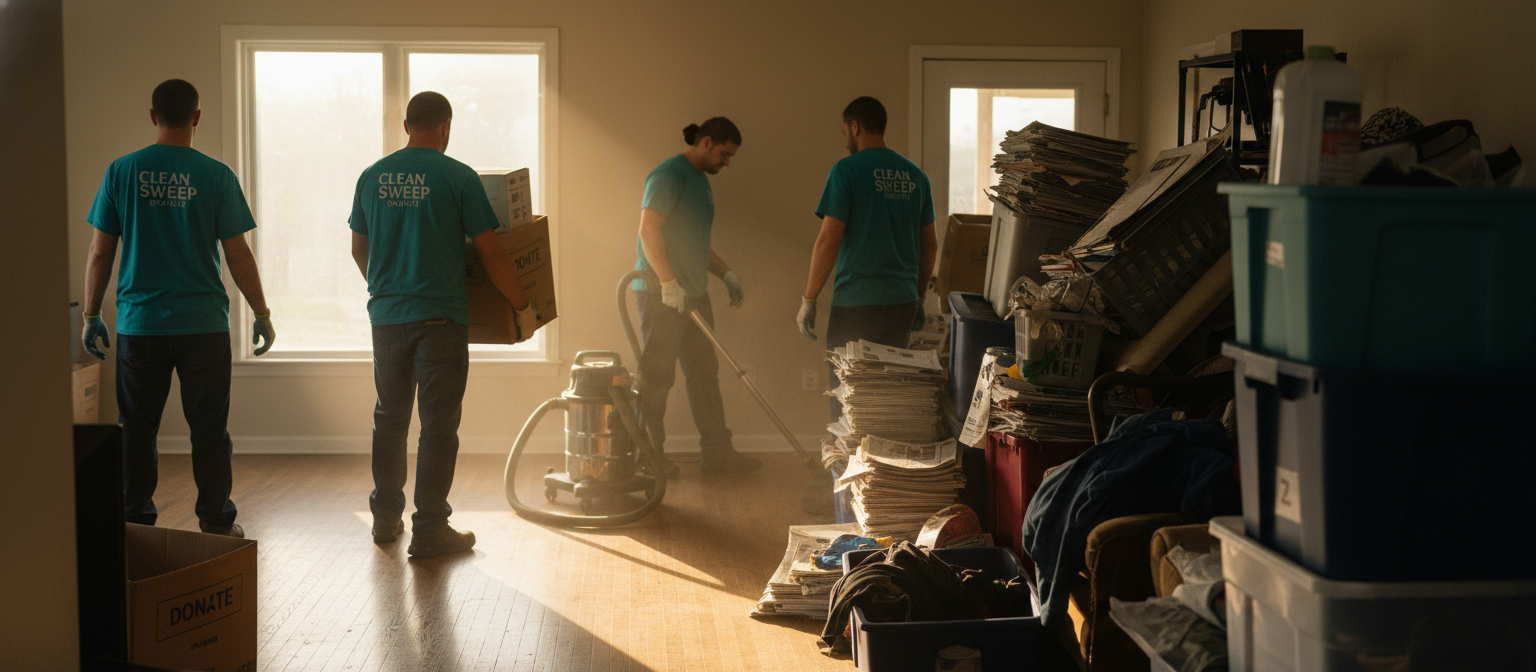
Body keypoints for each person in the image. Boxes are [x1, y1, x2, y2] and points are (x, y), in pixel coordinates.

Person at [81, 78, 275, 538]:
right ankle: (215, 521)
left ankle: (134, 524)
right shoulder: (216, 175)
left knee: (136, 430)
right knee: (209, 431)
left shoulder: (122, 171)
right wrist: (262, 312)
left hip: (139, 325)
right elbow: (238, 254)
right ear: (197, 117)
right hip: (203, 327)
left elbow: (100, 252)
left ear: (153, 116)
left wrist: (91, 314)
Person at [348, 91, 537, 558]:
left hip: (388, 319)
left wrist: (389, 288)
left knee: (389, 421)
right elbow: (491, 251)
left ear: (407, 124)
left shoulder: (372, 176)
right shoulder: (458, 177)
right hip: (442, 319)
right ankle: (431, 527)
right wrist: (522, 306)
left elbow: (358, 248)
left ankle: (385, 519)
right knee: (437, 426)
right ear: (445, 126)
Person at [632, 117, 762, 475]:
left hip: (694, 295)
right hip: (662, 297)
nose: (727, 162)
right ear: (706, 143)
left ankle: (718, 453)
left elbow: (695, 243)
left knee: (705, 374)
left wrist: (726, 273)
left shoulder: (701, 183)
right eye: (724, 153)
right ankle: (648, 457)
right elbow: (648, 230)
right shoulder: (668, 175)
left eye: (731, 156)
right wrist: (668, 283)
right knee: (656, 378)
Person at [796, 96, 938, 420]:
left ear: (855, 127)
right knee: (886, 398)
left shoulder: (846, 171)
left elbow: (827, 241)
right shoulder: (916, 176)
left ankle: (847, 469)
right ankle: (880, 471)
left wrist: (809, 299)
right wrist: (918, 298)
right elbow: (929, 244)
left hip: (857, 306)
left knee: (849, 395)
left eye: (845, 131)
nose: (846, 138)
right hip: (901, 304)